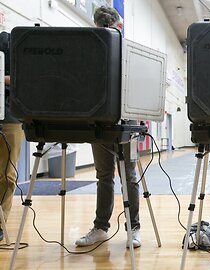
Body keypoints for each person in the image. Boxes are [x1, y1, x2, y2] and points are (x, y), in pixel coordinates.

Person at [75, 6, 141, 248]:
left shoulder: (131, 52)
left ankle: (134, 228)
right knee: (104, 175)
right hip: (100, 120)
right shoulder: (91, 52)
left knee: (128, 175)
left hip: (127, 120)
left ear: (119, 28)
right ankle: (101, 227)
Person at [0, 31, 24, 242]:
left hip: (8, 117)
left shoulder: (9, 41)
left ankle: (0, 224)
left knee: (7, 174)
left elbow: (23, 76)